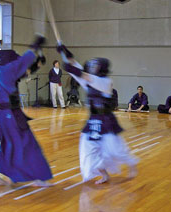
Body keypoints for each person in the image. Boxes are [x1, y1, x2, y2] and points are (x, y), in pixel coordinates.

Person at [57, 44, 138, 184]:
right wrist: (67, 55)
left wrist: (71, 68)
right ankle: (104, 174)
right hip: (93, 120)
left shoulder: (105, 82)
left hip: (106, 120)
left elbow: (82, 75)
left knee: (114, 150)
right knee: (88, 149)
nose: (92, 67)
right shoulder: (91, 81)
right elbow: (79, 72)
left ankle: (132, 164)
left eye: (95, 65)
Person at [0, 35, 53, 187]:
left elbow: (24, 72)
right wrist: (34, 47)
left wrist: (38, 63)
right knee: (28, 144)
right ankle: (38, 177)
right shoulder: (8, 70)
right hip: (11, 115)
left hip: (1, 116)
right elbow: (23, 62)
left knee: (7, 144)